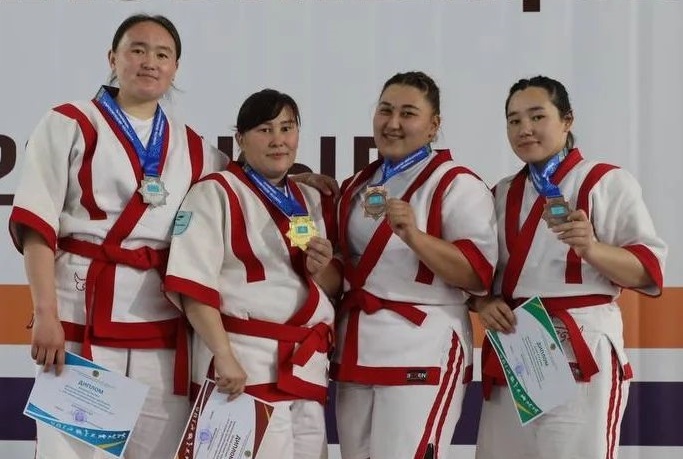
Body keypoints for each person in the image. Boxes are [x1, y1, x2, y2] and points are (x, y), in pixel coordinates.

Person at [8, 14, 336, 459]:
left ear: (176, 67)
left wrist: (297, 178)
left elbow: (250, 178)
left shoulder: (191, 145)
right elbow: (37, 225)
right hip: (78, 316)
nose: (150, 62)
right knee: (70, 454)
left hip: (160, 331)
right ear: (113, 58)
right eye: (137, 50)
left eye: (162, 54)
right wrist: (45, 313)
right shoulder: (69, 122)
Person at [473, 76, 667, 459]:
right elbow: (478, 270)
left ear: (567, 120)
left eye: (537, 116)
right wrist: (482, 302)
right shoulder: (501, 192)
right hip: (516, 344)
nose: (524, 129)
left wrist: (592, 249)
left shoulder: (605, 181)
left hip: (580, 345)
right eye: (514, 120)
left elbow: (647, 271)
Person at [164, 89, 339, 459]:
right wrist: (223, 354)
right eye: (265, 130)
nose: (278, 140)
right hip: (244, 364)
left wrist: (320, 269)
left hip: (304, 368)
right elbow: (193, 287)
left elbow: (331, 286)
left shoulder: (308, 199)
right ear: (240, 139)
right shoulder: (213, 192)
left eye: (287, 128)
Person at [331, 71, 498, 459]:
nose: (393, 123)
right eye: (385, 110)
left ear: (433, 125)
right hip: (357, 347)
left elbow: (477, 275)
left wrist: (415, 237)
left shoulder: (457, 184)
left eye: (408, 113)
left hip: (423, 345)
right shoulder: (356, 185)